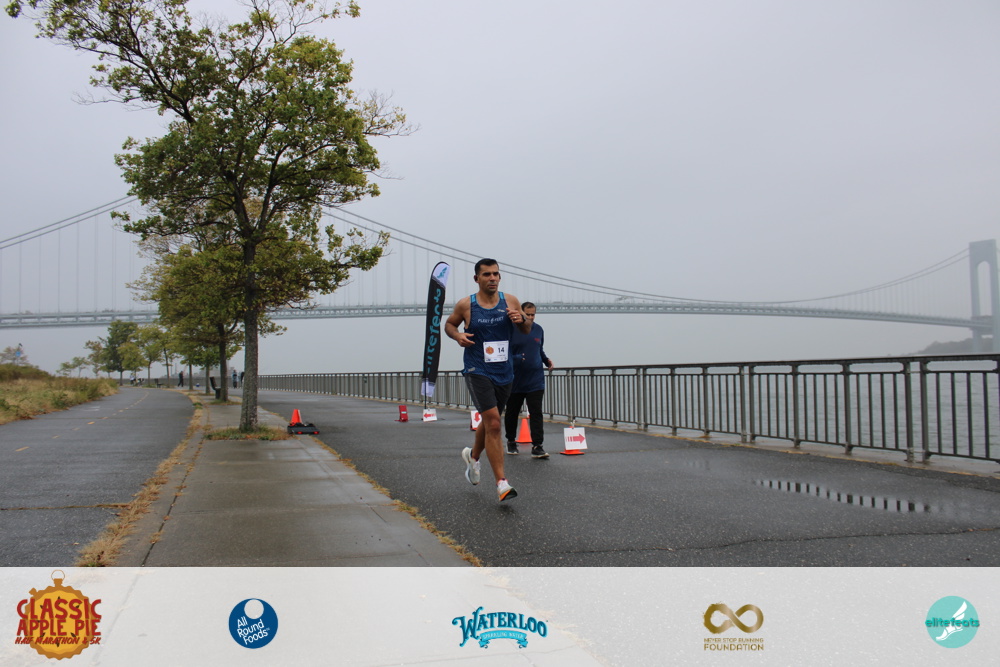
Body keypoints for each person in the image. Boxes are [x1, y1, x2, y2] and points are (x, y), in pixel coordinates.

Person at [445, 258, 532, 502]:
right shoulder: (467, 304)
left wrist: (522, 320)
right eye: (486, 274)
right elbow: (449, 324)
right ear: (477, 279)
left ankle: (473, 456)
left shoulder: (511, 301)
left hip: (504, 370)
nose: (492, 278)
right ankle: (502, 483)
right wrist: (457, 336)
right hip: (477, 368)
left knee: (490, 420)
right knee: (494, 423)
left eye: (495, 274)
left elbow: (526, 328)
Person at [504, 302, 554, 458]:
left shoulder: (538, 329)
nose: (531, 317)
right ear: (521, 313)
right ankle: (511, 441)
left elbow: (539, 349)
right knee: (512, 412)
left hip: (535, 379)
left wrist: (546, 360)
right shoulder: (510, 329)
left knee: (536, 413)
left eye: (533, 314)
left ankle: (537, 446)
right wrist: (518, 358)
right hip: (515, 379)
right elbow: (504, 353)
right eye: (528, 314)